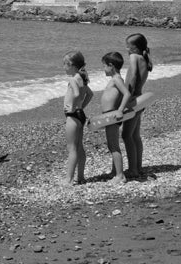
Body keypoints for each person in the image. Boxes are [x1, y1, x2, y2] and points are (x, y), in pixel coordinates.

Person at [121, 33, 153, 180]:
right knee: (135, 135)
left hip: (133, 100)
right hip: (141, 100)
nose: (126, 49)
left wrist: (128, 95)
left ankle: (133, 169)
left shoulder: (134, 57)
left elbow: (133, 76)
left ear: (135, 48)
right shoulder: (145, 60)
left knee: (126, 135)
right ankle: (138, 166)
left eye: (128, 46)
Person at [100, 51, 132, 184]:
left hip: (113, 115)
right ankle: (115, 172)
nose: (103, 68)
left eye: (104, 66)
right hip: (109, 115)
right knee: (112, 145)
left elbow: (127, 94)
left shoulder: (116, 79)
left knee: (113, 146)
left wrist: (119, 110)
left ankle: (120, 175)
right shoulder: (115, 79)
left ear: (111, 66)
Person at [62, 50, 94, 186]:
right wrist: (81, 107)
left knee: (72, 148)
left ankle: (68, 180)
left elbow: (75, 94)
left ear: (72, 65)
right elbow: (90, 94)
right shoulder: (82, 78)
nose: (64, 67)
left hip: (72, 116)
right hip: (80, 115)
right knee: (79, 147)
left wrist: (72, 107)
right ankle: (80, 176)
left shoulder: (73, 78)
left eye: (65, 64)